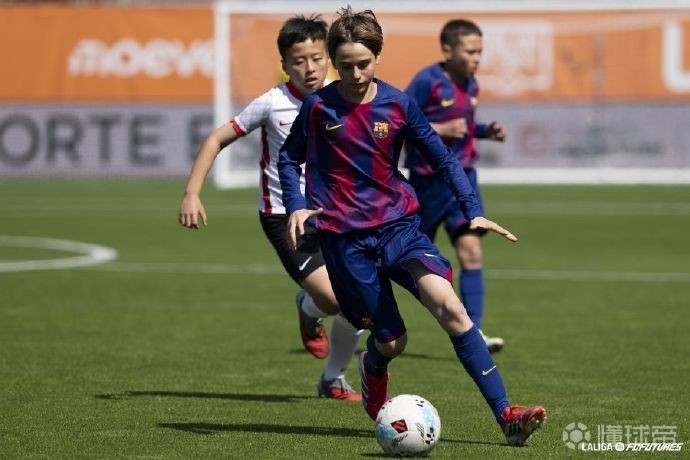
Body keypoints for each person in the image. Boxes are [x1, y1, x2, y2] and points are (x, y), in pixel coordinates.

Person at [278, 7, 545, 445]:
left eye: (363, 63)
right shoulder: (317, 106)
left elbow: (443, 159)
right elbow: (289, 158)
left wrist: (472, 207)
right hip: (346, 242)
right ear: (334, 62)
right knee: (392, 342)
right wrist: (296, 205)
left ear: (377, 57)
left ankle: (507, 416)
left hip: (399, 228)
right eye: (344, 65)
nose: (355, 74)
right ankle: (373, 364)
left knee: (452, 309)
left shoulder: (398, 104)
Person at [178, 14, 363, 401]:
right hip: (284, 216)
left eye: (317, 58)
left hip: (338, 215)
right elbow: (215, 139)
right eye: (299, 61)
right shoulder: (271, 104)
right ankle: (310, 309)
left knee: (360, 302)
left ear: (329, 59)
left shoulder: (345, 98)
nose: (309, 68)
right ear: (285, 65)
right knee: (333, 299)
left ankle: (333, 379)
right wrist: (192, 193)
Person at [404, 19, 506, 353]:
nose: (477, 58)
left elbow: (463, 127)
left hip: (463, 180)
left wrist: (485, 131)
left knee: (471, 251)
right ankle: (359, 317)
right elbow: (399, 122)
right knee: (403, 261)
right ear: (448, 50)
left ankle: (474, 332)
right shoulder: (427, 81)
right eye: (470, 51)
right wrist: (440, 129)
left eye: (480, 51)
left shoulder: (471, 83)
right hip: (427, 183)